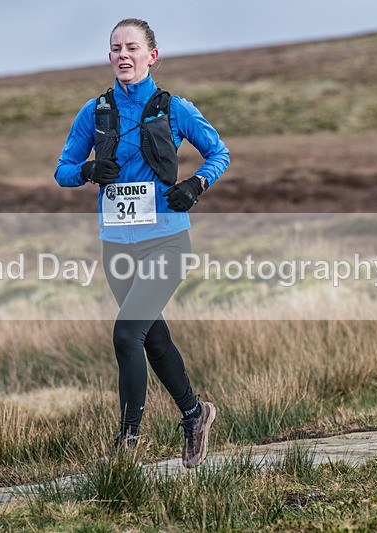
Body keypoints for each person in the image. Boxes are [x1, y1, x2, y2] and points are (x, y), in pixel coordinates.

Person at [54, 18, 229, 468]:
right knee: (151, 338)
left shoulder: (175, 108)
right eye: (115, 48)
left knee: (126, 332)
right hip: (117, 246)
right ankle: (195, 414)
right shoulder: (94, 112)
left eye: (132, 47)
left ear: (152, 56)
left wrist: (195, 185)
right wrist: (89, 172)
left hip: (166, 242)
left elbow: (219, 153)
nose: (123, 55)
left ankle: (127, 444)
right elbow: (64, 171)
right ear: (109, 56)